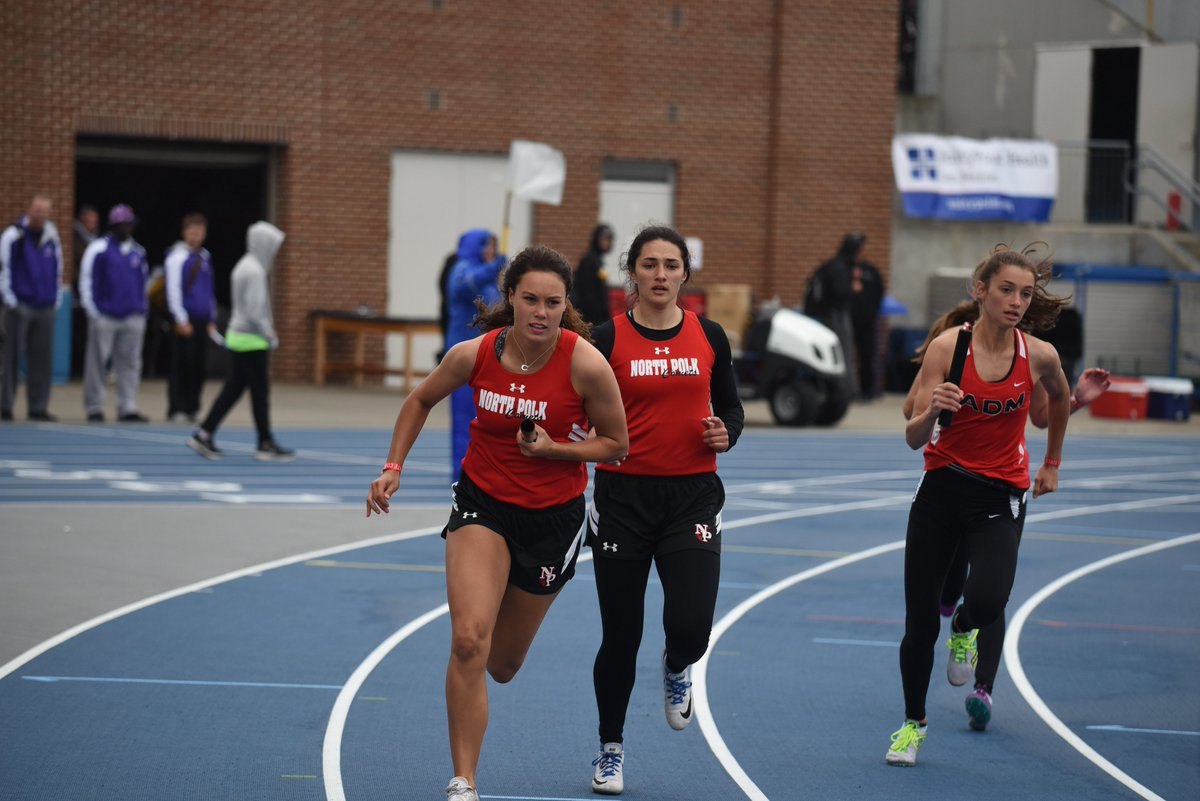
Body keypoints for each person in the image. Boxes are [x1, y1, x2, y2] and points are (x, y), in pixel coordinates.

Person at [365, 245, 628, 801]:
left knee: (503, 664)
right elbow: (419, 400)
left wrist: (555, 449)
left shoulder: (585, 364)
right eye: (529, 299)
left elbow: (616, 444)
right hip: (483, 504)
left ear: (565, 305)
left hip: (553, 521)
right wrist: (393, 467)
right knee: (468, 642)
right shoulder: (476, 354)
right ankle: (464, 781)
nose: (540, 312)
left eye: (552, 302)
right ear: (510, 298)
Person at [886, 243, 1072, 767]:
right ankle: (911, 725)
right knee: (920, 624)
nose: (1016, 301)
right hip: (942, 489)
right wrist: (933, 411)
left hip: (1000, 493)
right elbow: (911, 434)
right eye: (1007, 290)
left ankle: (964, 628)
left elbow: (1056, 401)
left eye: (1025, 293)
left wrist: (1052, 462)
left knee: (988, 601)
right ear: (981, 290)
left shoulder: (1039, 355)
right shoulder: (949, 348)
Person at [586, 225, 745, 795]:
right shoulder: (605, 339)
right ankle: (610, 749)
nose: (660, 274)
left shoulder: (711, 336)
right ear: (633, 271)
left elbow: (730, 406)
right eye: (649, 264)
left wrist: (729, 432)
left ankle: (677, 666)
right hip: (622, 499)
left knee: (691, 627)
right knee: (621, 634)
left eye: (670, 265)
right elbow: (576, 406)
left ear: (684, 274)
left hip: (692, 496)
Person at [187, 221, 293, 461]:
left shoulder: (245, 266)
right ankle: (264, 442)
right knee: (259, 393)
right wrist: (268, 333)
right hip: (251, 340)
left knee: (234, 390)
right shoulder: (254, 271)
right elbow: (255, 312)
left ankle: (205, 433)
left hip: (241, 337)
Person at [79, 204, 150, 423]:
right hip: (106, 315)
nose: (126, 228)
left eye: (129, 224)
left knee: (130, 363)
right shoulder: (98, 248)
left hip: (132, 316)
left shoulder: (139, 252)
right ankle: (94, 407)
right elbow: (87, 279)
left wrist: (141, 311)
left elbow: (143, 284)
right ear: (114, 225)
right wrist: (93, 311)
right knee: (98, 362)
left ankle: (127, 406)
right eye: (122, 224)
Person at [445, 229, 505, 480]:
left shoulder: (491, 279)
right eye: (486, 245)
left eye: (493, 246)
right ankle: (462, 469)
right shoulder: (461, 269)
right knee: (464, 415)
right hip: (463, 358)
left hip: (489, 355)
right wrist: (494, 268)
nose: (491, 250)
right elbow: (463, 287)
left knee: (489, 416)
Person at [0, 194, 64, 421]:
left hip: (44, 305)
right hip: (20, 304)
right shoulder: (13, 235)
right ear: (29, 210)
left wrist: (56, 299)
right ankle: (5, 405)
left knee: (42, 359)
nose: (41, 215)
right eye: (37, 210)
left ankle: (38, 406)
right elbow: (5, 268)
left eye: (45, 211)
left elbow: (58, 269)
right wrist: (10, 299)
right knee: (11, 358)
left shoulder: (52, 237)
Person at [163, 213, 218, 423]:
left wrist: (211, 317)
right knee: (181, 364)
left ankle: (193, 406)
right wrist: (180, 318)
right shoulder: (177, 257)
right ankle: (177, 407)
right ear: (184, 232)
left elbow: (209, 290)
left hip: (203, 319)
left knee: (198, 365)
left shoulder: (205, 257)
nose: (196, 235)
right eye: (192, 231)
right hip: (186, 319)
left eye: (200, 231)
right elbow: (174, 289)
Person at [804, 233, 859, 394]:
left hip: (831, 314)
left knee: (840, 351)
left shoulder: (835, 265)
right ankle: (843, 389)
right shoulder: (840, 267)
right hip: (836, 315)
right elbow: (839, 292)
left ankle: (841, 388)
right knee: (843, 351)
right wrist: (853, 287)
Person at [848, 237, 885, 399]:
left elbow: (879, 293)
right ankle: (850, 389)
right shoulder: (847, 270)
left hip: (868, 321)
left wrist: (872, 313)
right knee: (849, 356)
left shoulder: (871, 271)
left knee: (868, 355)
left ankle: (869, 390)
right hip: (850, 321)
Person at [571, 223, 614, 327]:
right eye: (603, 238)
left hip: (599, 317)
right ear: (596, 239)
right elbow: (586, 293)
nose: (606, 242)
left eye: (609, 239)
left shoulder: (599, 261)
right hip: (590, 319)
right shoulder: (589, 260)